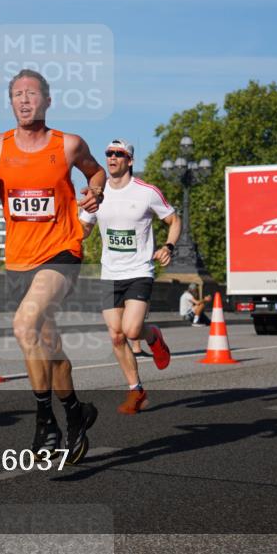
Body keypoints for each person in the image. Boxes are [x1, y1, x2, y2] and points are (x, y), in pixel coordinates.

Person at [0, 69, 104, 463]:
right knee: (47, 345)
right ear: (10, 103)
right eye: (17, 95)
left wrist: (94, 193)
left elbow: (96, 172)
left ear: (47, 100)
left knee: (24, 325)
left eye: (31, 94)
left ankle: (45, 422)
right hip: (19, 258)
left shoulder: (68, 145)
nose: (24, 100)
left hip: (62, 252)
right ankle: (76, 411)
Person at [79, 139, 180, 414]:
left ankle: (153, 336)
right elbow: (84, 229)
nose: (112, 157)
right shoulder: (97, 195)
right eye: (109, 153)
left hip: (139, 271)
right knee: (116, 336)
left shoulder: (147, 192)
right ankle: (136, 390)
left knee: (132, 330)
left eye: (119, 154)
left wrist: (168, 246)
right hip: (110, 272)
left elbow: (173, 220)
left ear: (130, 160)